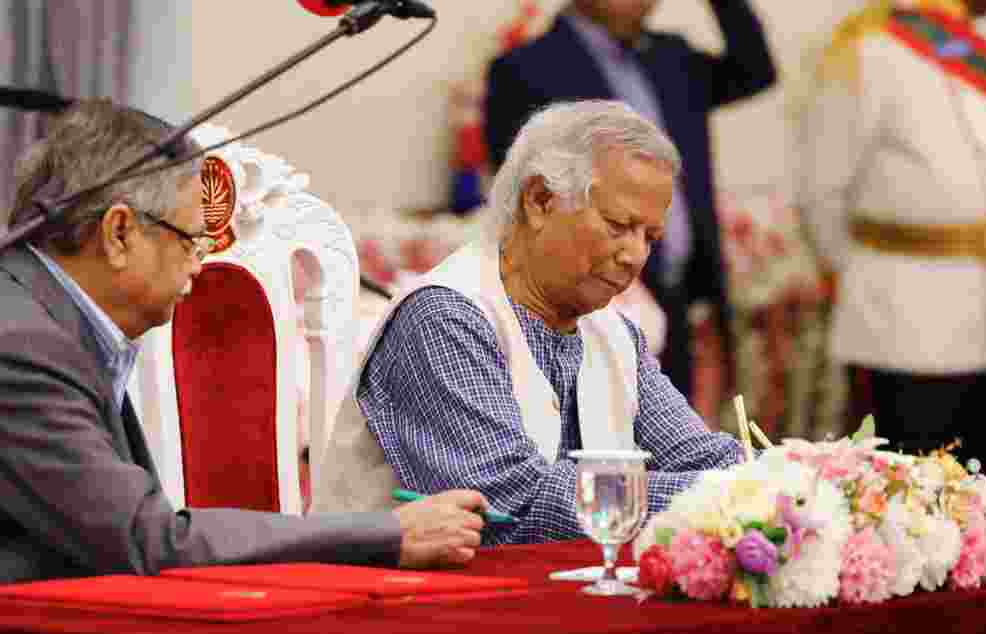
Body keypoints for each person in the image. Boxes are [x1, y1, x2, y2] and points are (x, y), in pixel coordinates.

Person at [0, 99, 486, 584]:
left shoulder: (45, 316)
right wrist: (387, 534)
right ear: (119, 232)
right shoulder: (21, 345)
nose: (200, 261)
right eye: (192, 240)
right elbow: (148, 539)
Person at [313, 100, 746, 545]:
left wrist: (790, 483)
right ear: (539, 200)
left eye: (650, 238)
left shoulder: (615, 332)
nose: (635, 255)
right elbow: (511, 508)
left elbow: (697, 456)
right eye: (619, 225)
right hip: (391, 604)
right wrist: (734, 496)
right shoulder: (444, 317)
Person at [484, 0, 777, 400]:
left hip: (678, 298)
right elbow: (521, 197)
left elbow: (755, 69)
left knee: (674, 448)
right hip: (589, 305)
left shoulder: (671, 56)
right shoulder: (526, 68)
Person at [802, 0, 986, 501]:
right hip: (910, 326)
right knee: (920, 507)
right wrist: (871, 285)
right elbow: (822, 195)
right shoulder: (872, 43)